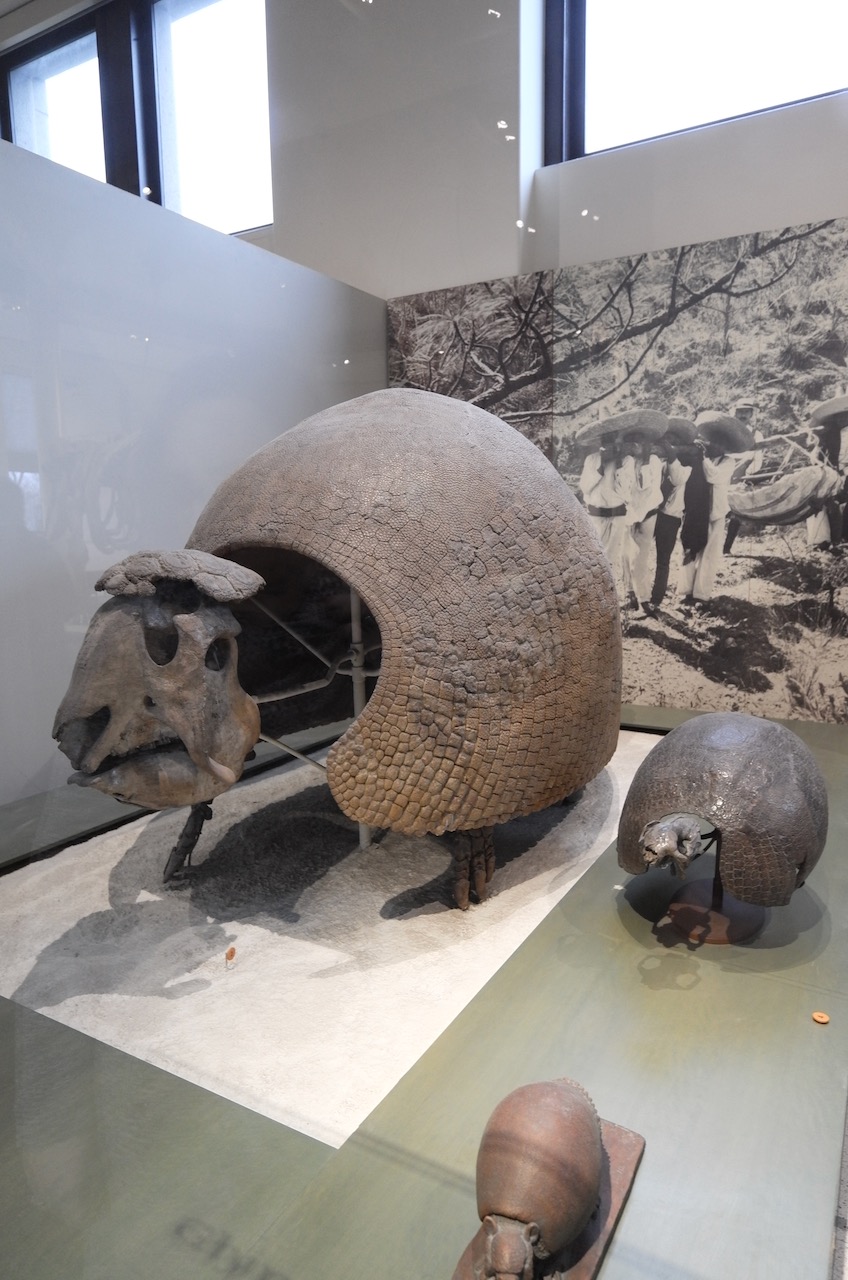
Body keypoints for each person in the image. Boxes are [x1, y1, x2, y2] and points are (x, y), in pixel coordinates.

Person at [678, 428, 739, 607]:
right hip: (695, 511)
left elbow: (714, 476)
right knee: (688, 548)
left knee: (709, 554)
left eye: (722, 444)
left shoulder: (728, 462)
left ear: (726, 448)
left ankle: (701, 595)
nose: (717, 446)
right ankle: (686, 591)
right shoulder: (701, 457)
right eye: (715, 442)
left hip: (715, 512)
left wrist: (702, 458)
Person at [579, 431, 634, 602]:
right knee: (595, 556)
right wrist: (602, 464)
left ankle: (610, 598)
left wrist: (618, 463)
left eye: (612, 439)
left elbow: (626, 493)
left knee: (612, 559)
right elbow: (585, 487)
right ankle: (593, 596)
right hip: (596, 516)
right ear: (600, 441)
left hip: (617, 516)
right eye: (605, 439)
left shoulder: (627, 460)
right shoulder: (592, 459)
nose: (609, 443)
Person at [647, 421, 695, 615]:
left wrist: (672, 453)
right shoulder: (657, 462)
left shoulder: (686, 466)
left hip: (670, 517)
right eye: (666, 439)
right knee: (639, 555)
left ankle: (656, 598)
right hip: (651, 513)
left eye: (673, 441)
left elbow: (677, 479)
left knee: (663, 559)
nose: (668, 443)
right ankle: (638, 595)